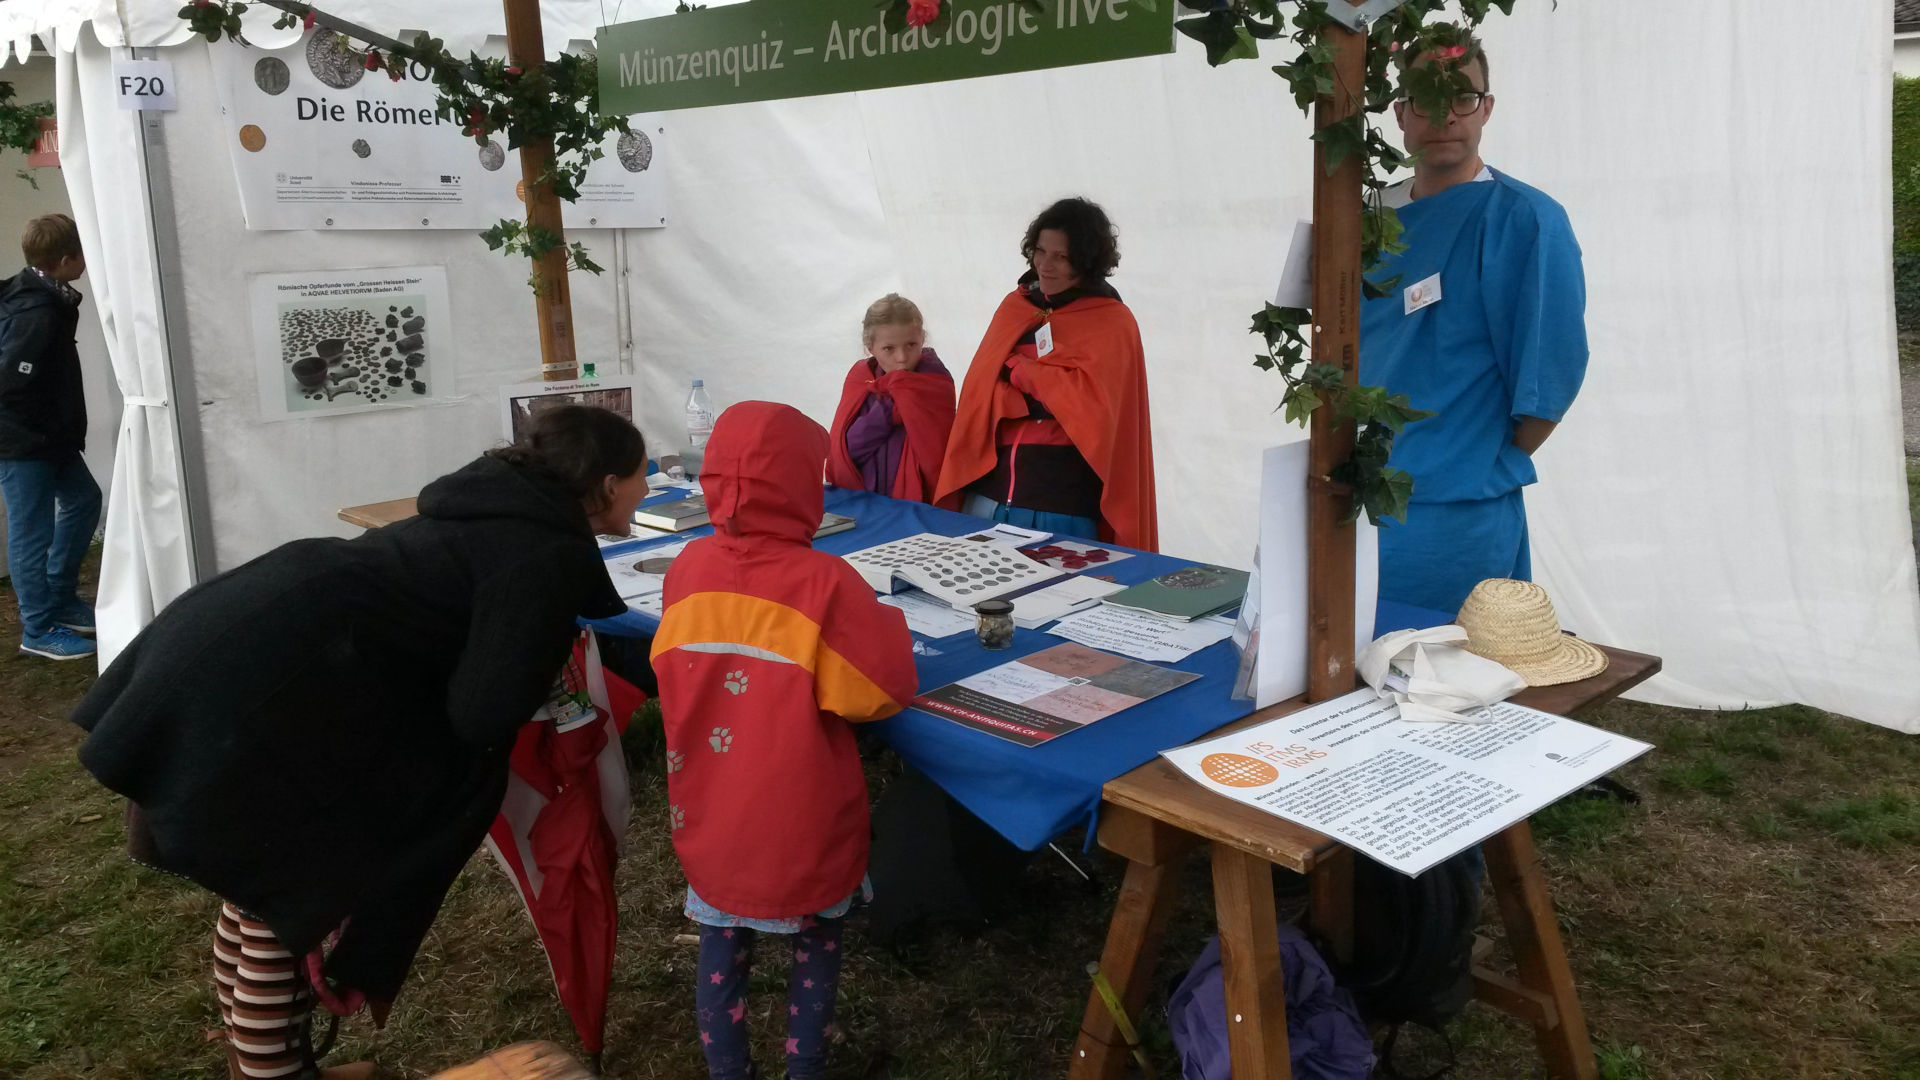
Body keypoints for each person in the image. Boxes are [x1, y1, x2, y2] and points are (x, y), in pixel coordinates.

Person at [68, 405, 648, 1080]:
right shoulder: (542, 553)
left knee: (255, 894)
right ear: (607, 484)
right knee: (285, 903)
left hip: (254, 645)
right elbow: (483, 713)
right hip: (275, 688)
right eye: (639, 476)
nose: (642, 489)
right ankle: (273, 1076)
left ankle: (263, 1065)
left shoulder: (503, 508)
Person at [650, 400, 917, 1080]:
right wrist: (881, 622)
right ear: (805, 484)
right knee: (817, 945)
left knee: (720, 947)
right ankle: (805, 1069)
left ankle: (728, 1073)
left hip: (712, 812)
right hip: (799, 818)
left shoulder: (687, 568)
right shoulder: (824, 584)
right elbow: (879, 692)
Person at [1361, 30, 1589, 615]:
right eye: (1424, 97)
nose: (1444, 115)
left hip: (1455, 515)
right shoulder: (1363, 222)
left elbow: (1550, 375)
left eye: (1461, 96)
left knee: (1446, 684)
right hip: (1352, 497)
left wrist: (1475, 461)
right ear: (1400, 113)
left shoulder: (1524, 220)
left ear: (1486, 107)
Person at [935, 196, 1158, 551]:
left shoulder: (1112, 322)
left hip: (1063, 508)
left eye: (1061, 257)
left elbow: (1096, 417)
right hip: (987, 499)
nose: (1045, 265)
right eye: (1040, 251)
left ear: (1086, 260)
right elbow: (978, 395)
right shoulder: (1014, 308)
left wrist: (1021, 373)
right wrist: (1043, 389)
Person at [0, 213, 102, 660]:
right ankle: (38, 629)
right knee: (31, 531)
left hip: (49, 437)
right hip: (24, 442)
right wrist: (42, 433)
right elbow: (11, 381)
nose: (88, 262)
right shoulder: (35, 312)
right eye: (84, 254)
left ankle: (60, 597)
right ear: (65, 259)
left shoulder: (46, 293)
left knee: (84, 500)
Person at [826, 293, 956, 502]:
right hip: (867, 499)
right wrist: (889, 410)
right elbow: (845, 451)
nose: (902, 358)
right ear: (870, 348)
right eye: (889, 348)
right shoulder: (862, 381)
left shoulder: (934, 382)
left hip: (919, 504)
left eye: (911, 345)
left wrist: (902, 400)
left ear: (922, 339)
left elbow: (938, 456)